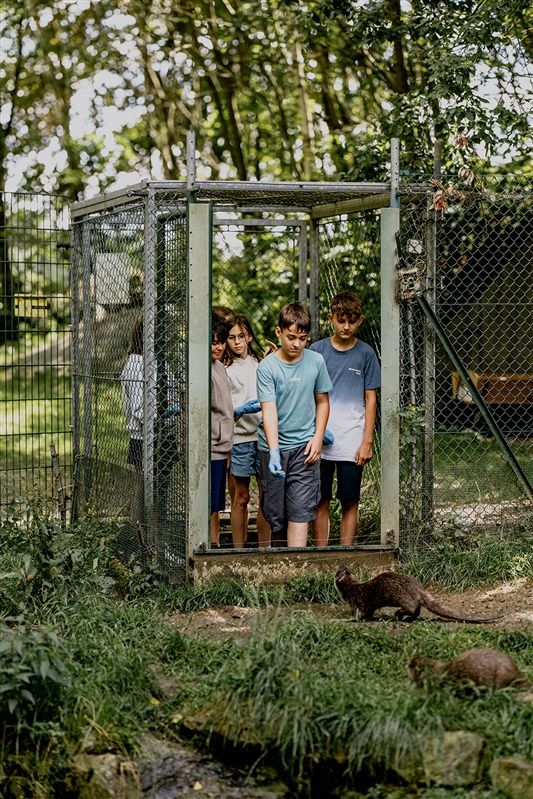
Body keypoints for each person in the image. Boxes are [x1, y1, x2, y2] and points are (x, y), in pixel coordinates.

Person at [257, 302, 332, 548]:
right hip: (273, 449)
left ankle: (298, 580)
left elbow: (322, 401)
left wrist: (318, 437)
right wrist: (274, 450)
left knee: (300, 511)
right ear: (278, 332)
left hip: (305, 448)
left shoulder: (316, 361)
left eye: (302, 338)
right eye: (290, 337)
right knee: (276, 515)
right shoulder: (267, 367)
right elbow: (269, 410)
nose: (296, 344)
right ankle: (278, 575)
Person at [310, 291, 380, 546]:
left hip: (352, 441)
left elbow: (371, 399)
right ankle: (321, 554)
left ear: (359, 320)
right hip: (320, 440)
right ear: (331, 319)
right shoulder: (317, 351)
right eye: (341, 321)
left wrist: (367, 441)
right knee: (320, 499)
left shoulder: (366, 354)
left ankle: (345, 553)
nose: (346, 326)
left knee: (350, 499)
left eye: (352, 321)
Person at [120, 315, 180, 531]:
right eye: (157, 332)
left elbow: (174, 392)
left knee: (160, 492)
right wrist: (165, 409)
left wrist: (169, 405)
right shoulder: (137, 364)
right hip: (146, 438)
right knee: (146, 491)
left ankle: (153, 539)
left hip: (165, 434)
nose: (163, 336)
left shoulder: (158, 361)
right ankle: (143, 539)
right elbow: (140, 410)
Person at [225, 314, 271, 549]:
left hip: (262, 438)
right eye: (231, 337)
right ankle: (238, 550)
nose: (236, 342)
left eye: (241, 336)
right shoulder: (225, 368)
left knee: (265, 498)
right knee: (241, 497)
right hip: (240, 440)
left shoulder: (260, 363)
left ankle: (264, 549)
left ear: (249, 336)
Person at [210, 316, 235, 547]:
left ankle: (215, 542)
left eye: (221, 342)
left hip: (222, 444)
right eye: (213, 342)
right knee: (209, 502)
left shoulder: (219, 367)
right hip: (211, 446)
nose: (218, 347)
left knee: (217, 503)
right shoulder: (203, 371)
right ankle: (209, 542)